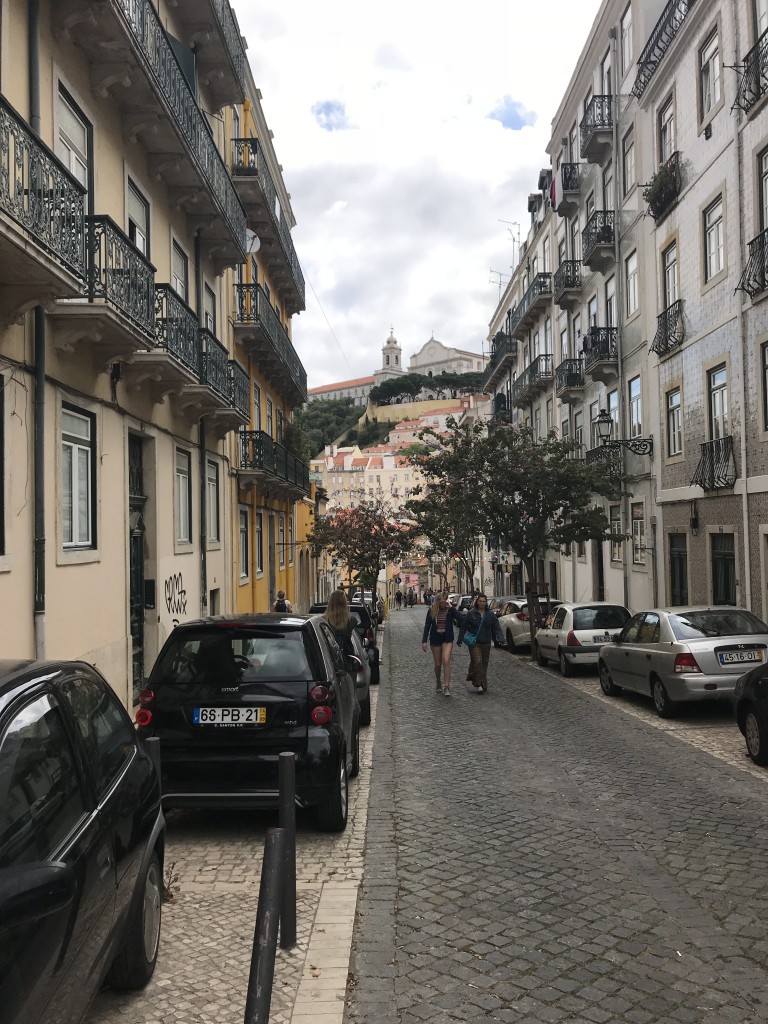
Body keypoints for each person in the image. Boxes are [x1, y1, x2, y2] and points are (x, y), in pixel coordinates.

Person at [457, 593, 505, 694]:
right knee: (478, 662)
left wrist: (500, 638)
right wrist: (460, 639)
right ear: (477, 602)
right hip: (474, 642)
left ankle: (478, 679)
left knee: (484, 664)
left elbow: (496, 627)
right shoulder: (471, 613)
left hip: (486, 642)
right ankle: (479, 685)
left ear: (486, 603)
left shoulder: (490, 614)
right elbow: (464, 626)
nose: (482, 603)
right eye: (480, 601)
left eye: (483, 601)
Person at [421, 591, 464, 696]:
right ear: (437, 602)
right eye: (440, 603)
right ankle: (438, 681)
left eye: (444, 602)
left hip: (447, 638)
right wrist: (424, 641)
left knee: (446, 661)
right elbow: (427, 626)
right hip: (435, 638)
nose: (442, 605)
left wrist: (451, 608)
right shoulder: (432, 610)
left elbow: (461, 619)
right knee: (438, 664)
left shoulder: (450, 610)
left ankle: (446, 686)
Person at [323, 589, 355, 661]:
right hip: (346, 658)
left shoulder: (323, 621)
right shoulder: (351, 621)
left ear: (330, 603)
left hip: (328, 657)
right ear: (344, 603)